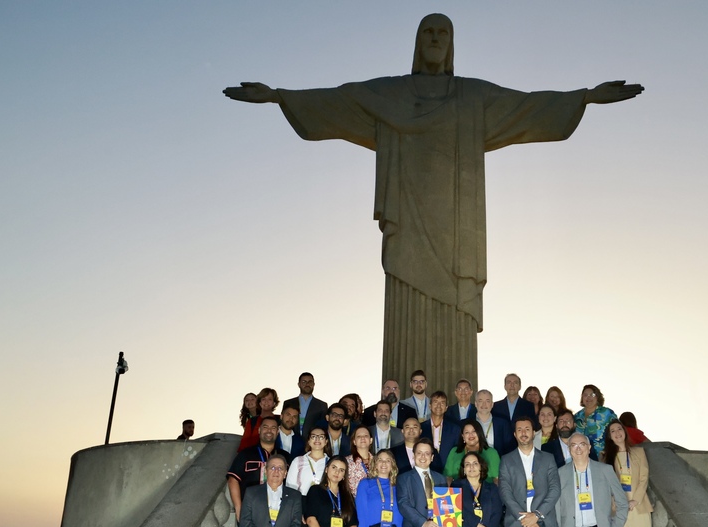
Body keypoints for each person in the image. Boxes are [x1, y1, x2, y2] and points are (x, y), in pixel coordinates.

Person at [223, 13, 643, 392]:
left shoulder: (472, 97)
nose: (436, 38)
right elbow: (339, 99)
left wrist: (584, 97)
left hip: (458, 229)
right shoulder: (390, 94)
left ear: (452, 44)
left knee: (455, 305)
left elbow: (527, 105)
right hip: (407, 217)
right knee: (405, 299)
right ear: (418, 41)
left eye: (444, 32)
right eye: (429, 31)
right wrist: (279, 96)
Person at [574, 384, 617, 460]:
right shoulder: (577, 416)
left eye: (592, 394)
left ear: (597, 396)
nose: (588, 397)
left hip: (604, 458)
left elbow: (618, 432)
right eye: (585, 395)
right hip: (581, 458)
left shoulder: (607, 413)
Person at [420, 390, 461, 467]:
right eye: (435, 402)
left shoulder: (455, 429)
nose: (439, 405)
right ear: (430, 406)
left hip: (448, 472)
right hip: (426, 470)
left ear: (446, 408)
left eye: (442, 403)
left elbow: (457, 454)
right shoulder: (421, 428)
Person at [283, 372, 327, 437]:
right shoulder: (288, 403)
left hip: (313, 441)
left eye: (310, 382)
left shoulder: (322, 405)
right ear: (299, 384)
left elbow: (323, 428)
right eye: (304, 382)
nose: (307, 384)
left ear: (314, 384)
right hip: (290, 440)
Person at [239, 387, 279, 452]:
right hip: (255, 457)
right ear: (259, 402)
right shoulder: (252, 421)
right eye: (263, 399)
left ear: (274, 403)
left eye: (270, 399)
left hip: (277, 457)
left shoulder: (280, 420)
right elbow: (244, 445)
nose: (266, 402)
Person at [474, 389, 513, 455]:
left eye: (487, 401)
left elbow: (509, 447)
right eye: (480, 401)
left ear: (492, 404)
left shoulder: (503, 423)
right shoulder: (467, 423)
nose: (484, 404)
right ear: (475, 404)